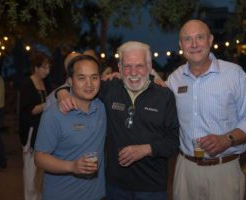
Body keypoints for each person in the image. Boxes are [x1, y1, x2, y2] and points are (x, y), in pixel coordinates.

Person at [56, 41, 180, 199]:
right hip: (115, 186)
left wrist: (146, 149)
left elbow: (174, 140)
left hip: (152, 187)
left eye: (139, 66)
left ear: (149, 67)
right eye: (127, 66)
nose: (133, 72)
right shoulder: (109, 88)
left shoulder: (164, 96)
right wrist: (62, 92)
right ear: (120, 68)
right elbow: (81, 85)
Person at [166, 19, 246, 200]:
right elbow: (154, 96)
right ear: (181, 45)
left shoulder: (234, 74)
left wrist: (227, 139)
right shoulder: (174, 79)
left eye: (200, 37)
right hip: (185, 170)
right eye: (188, 39)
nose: (194, 44)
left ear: (210, 40)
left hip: (224, 171)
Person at [34, 54, 106, 200]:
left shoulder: (102, 108)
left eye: (94, 77)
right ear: (70, 81)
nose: (89, 84)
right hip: (62, 195)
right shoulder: (54, 114)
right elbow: (39, 158)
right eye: (81, 78)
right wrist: (72, 166)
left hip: (96, 195)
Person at [19, 51, 51, 200]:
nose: (47, 71)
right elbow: (28, 111)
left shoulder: (47, 83)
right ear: (36, 68)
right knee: (30, 171)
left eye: (48, 67)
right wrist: (48, 104)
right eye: (44, 67)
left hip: (43, 131)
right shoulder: (27, 83)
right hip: (31, 132)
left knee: (41, 173)